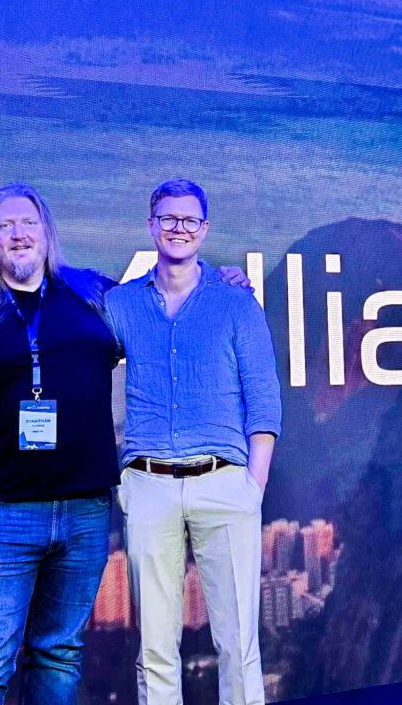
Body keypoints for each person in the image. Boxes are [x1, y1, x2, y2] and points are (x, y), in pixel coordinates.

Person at [0, 182, 251, 704]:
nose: (19, 234)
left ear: (47, 233)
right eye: (6, 225)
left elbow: (166, 303)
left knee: (60, 656)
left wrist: (220, 284)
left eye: (29, 222)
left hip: (85, 513)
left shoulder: (94, 296)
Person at [105, 178, 282, 705]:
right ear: (151, 225)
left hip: (226, 484)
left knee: (238, 645)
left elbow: (264, 397)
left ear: (204, 230)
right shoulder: (120, 305)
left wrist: (253, 485)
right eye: (168, 218)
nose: (178, 228)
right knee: (155, 648)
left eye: (189, 220)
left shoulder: (236, 303)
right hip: (148, 485)